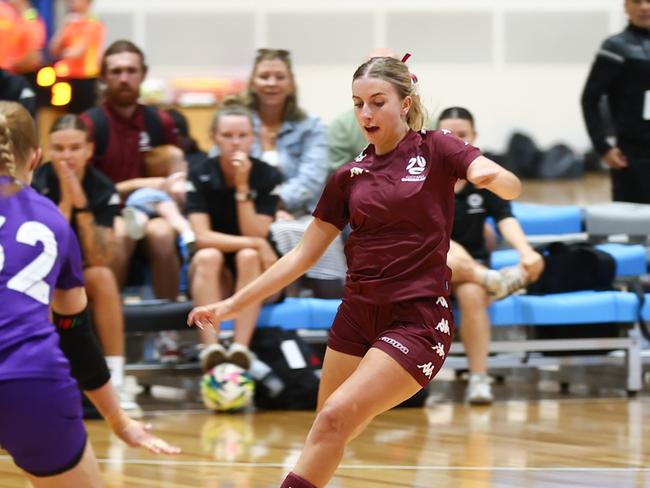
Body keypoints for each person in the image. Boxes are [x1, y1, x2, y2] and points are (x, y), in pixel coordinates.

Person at [188, 55, 522, 487]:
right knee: (327, 430)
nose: (366, 113)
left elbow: (508, 186)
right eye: (358, 103)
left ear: (405, 103)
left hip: (416, 319)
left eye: (377, 101)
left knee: (332, 419)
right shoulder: (348, 175)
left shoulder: (437, 148)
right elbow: (301, 256)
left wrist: (491, 175)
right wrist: (232, 303)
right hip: (356, 316)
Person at [0, 101, 179, 488]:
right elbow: (73, 328)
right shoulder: (48, 218)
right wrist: (118, 419)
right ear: (37, 157)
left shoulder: (81, 195)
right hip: (30, 379)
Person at [32, 113, 141, 414]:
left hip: (80, 270)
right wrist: (66, 200)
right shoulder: (37, 180)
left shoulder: (102, 187)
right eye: (59, 148)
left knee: (103, 276)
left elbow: (100, 256)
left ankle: (115, 377)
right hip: (39, 272)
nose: (67, 156)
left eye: (75, 148)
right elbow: (48, 247)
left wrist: (81, 205)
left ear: (89, 150)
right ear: (48, 150)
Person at [438, 107, 545, 405]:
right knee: (440, 246)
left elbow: (505, 217)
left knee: (472, 294)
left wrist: (526, 252)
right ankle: (495, 281)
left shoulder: (482, 174)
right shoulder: (426, 175)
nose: (456, 140)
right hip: (431, 266)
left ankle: (478, 379)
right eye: (448, 134)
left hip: (468, 268)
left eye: (463, 135)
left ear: (474, 138)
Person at [186, 98, 283, 372]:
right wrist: (255, 242)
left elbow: (257, 230)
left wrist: (242, 186)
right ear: (214, 138)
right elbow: (202, 236)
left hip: (255, 271)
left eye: (242, 135)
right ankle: (211, 350)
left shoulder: (267, 175)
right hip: (215, 273)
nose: (235, 143)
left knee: (249, 256)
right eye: (227, 136)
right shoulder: (199, 173)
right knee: (208, 255)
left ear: (253, 138)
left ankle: (241, 351)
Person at [80, 40, 182, 300]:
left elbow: (174, 174)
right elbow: (87, 189)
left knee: (162, 234)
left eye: (131, 70)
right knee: (123, 232)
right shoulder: (90, 124)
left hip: (154, 209)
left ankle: (166, 330)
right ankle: (109, 321)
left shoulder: (161, 121)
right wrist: (139, 184)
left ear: (143, 74)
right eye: (115, 71)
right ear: (103, 77)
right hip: (107, 210)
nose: (124, 78)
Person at [237, 48, 344, 295]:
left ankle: (333, 315)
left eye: (279, 77)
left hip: (300, 212)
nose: (272, 83)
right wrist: (264, 209)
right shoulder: (237, 123)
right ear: (253, 82)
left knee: (314, 234)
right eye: (264, 76)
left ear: (291, 83)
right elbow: (224, 169)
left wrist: (276, 204)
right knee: (271, 233)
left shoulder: (311, 125)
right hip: (247, 211)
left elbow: (312, 178)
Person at [581, 0, 650, 203]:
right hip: (632, 156)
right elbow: (590, 97)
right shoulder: (616, 47)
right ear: (626, 6)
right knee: (633, 226)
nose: (644, 7)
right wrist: (603, 147)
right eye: (637, 1)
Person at [49, 0, 104, 114]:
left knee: (85, 115)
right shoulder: (70, 24)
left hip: (86, 78)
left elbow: (78, 52)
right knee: (66, 115)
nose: (72, 4)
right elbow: (53, 49)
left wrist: (63, 53)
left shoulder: (93, 23)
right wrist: (63, 28)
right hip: (67, 78)